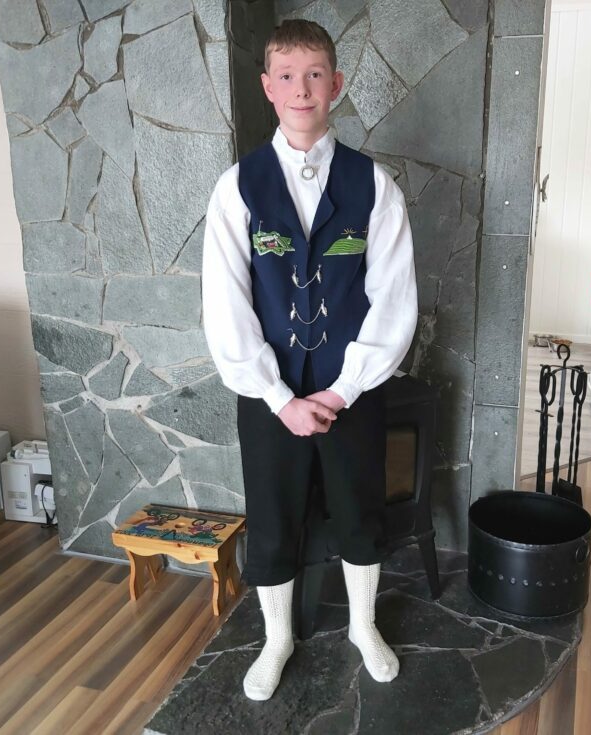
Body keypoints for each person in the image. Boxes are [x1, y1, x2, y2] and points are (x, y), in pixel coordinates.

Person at [201, 18, 418, 701]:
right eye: (288, 76)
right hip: (270, 397)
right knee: (271, 520)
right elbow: (226, 304)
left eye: (315, 74)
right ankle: (277, 638)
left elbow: (394, 297)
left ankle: (363, 624)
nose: (302, 89)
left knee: (360, 513)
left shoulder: (374, 185)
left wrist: (347, 387)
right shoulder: (237, 188)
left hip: (353, 391)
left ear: (337, 84)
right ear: (268, 87)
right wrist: (277, 396)